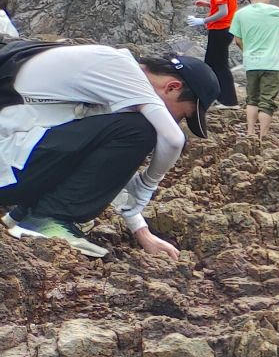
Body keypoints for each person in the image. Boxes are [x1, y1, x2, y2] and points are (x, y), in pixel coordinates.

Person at [0, 43, 217, 259]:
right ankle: (46, 219)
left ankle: (25, 215)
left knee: (129, 130)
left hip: (11, 166)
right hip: (8, 166)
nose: (175, 121)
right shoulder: (121, 68)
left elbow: (98, 167)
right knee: (142, 130)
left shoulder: (111, 81)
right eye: (181, 115)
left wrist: (141, 231)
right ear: (172, 87)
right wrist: (147, 185)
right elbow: (173, 139)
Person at [229, 0, 279, 142]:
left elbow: (237, 41)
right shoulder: (274, 11)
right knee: (266, 101)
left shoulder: (240, 14)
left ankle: (250, 133)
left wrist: (247, 52)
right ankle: (263, 136)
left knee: (252, 98)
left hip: (252, 63)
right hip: (272, 64)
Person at [188, 0, 240, 111]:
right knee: (213, 64)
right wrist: (207, 4)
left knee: (219, 66)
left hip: (220, 30)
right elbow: (225, 6)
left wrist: (202, 21)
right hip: (226, 29)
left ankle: (229, 101)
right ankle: (219, 97)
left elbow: (223, 12)